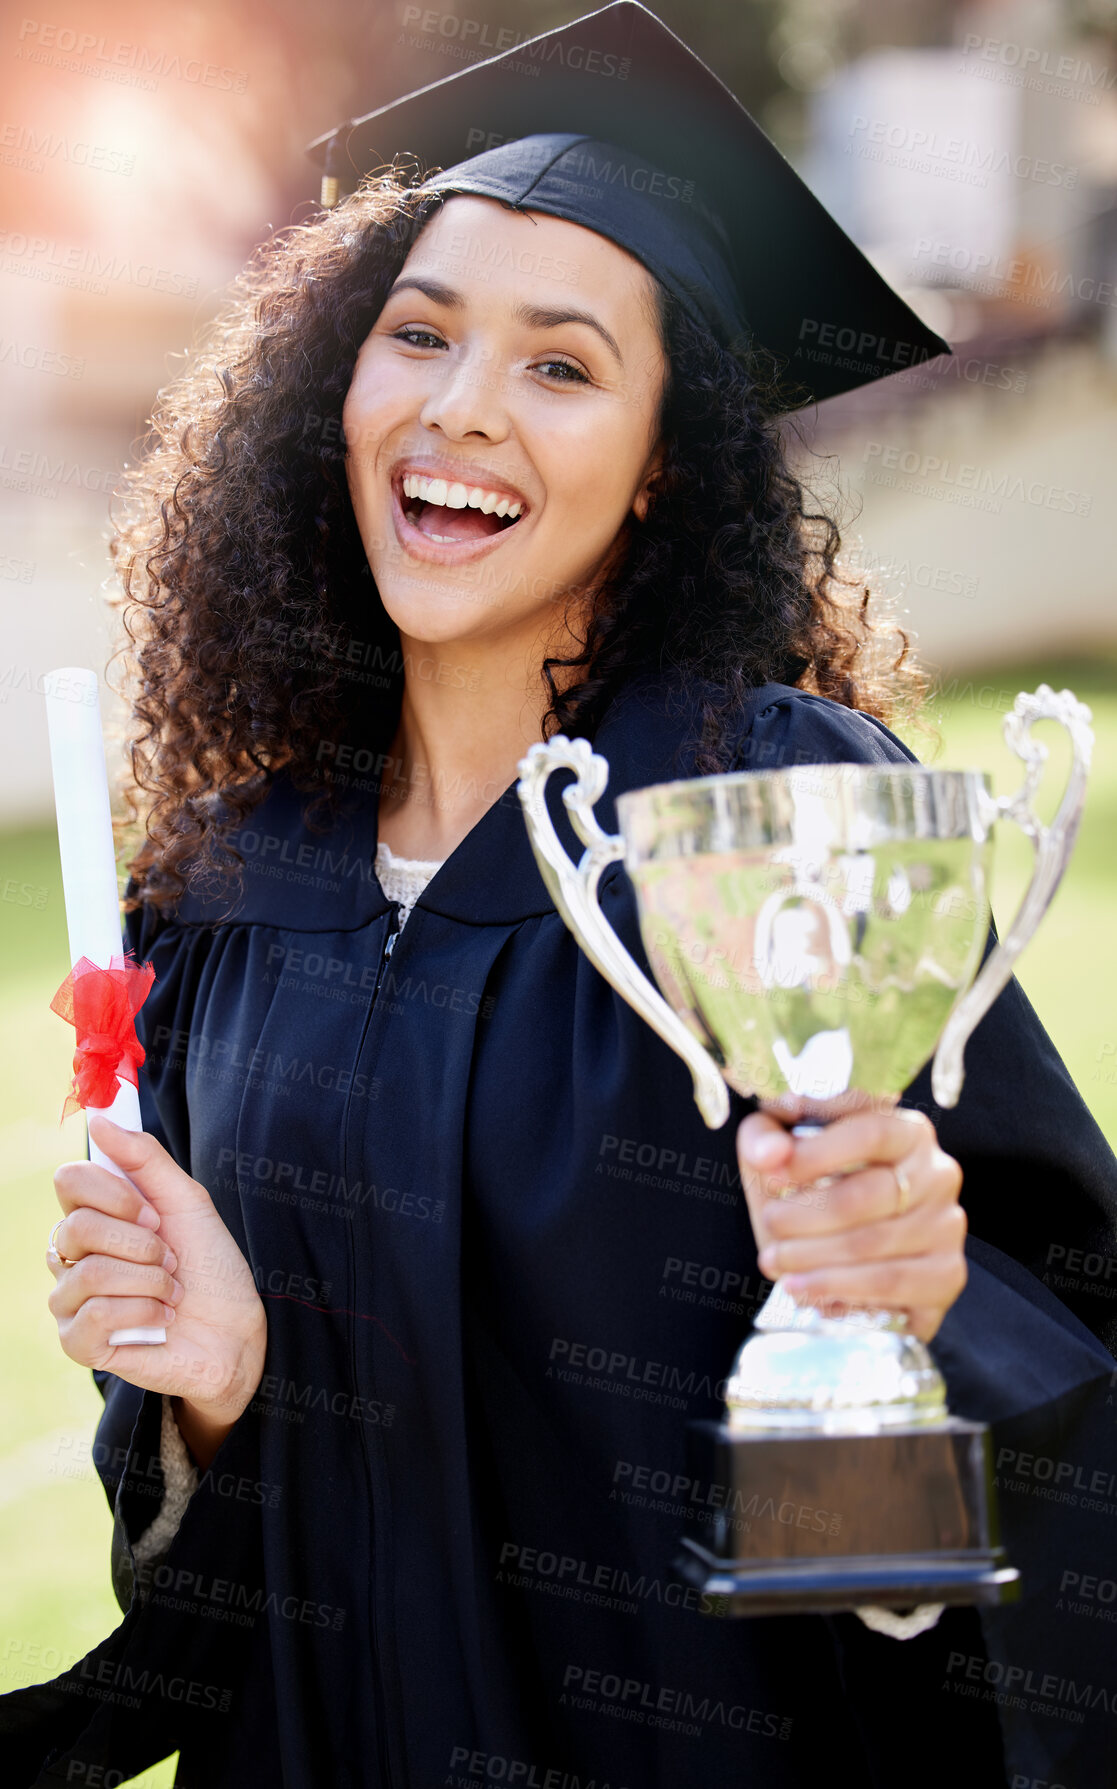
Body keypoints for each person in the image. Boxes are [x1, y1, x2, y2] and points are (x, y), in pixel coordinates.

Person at [4, 5, 1116, 1785]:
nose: (457, 406)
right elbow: (205, 1568)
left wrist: (924, 1309)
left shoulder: (773, 820)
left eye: (562, 365)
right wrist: (211, 1399)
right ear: (331, 385)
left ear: (669, 462)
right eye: (418, 333)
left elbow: (1055, 1386)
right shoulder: (221, 886)